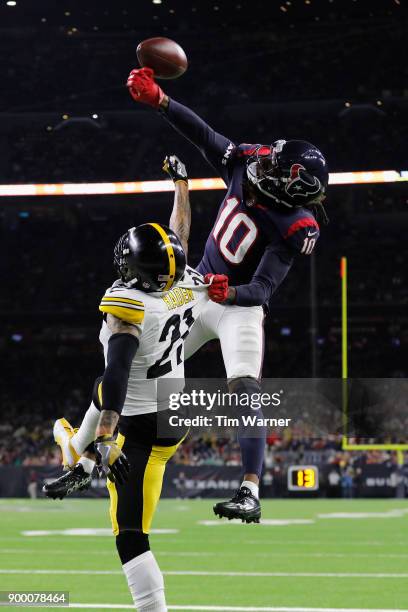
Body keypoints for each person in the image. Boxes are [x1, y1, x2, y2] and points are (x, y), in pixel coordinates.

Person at [126, 67, 329, 523]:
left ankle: (250, 491)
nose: (265, 164)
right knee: (134, 345)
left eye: (277, 169)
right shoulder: (246, 162)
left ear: (291, 188)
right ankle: (92, 447)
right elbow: (203, 134)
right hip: (197, 289)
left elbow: (262, 288)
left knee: (245, 388)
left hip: (239, 307)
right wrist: (161, 100)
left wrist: (231, 290)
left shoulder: (295, 227)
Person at [44, 156, 209, 612]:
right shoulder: (185, 281)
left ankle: (81, 454)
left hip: (139, 425)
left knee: (131, 535)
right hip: (176, 417)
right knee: (100, 386)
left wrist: (104, 438)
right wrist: (181, 186)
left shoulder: (127, 305)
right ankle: (76, 458)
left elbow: (118, 373)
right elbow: (181, 236)